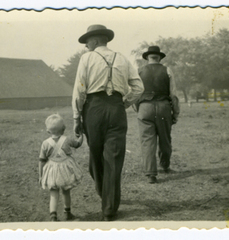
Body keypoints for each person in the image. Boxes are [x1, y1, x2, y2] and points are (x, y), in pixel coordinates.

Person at [72, 24, 144, 221]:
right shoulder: (122, 58)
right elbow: (138, 88)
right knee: (113, 159)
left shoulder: (86, 58)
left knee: (96, 158)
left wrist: (76, 117)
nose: (86, 46)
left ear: (95, 40)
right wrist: (123, 103)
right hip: (116, 109)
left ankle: (108, 203)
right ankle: (109, 204)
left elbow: (79, 90)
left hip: (93, 110)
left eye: (87, 42)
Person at [135, 46, 180, 184]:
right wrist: (175, 113)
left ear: (147, 57)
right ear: (159, 57)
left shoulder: (139, 71)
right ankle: (165, 166)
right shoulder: (167, 70)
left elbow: (135, 94)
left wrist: (139, 108)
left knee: (147, 141)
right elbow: (173, 94)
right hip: (163, 107)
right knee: (165, 139)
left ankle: (151, 174)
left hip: (144, 108)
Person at [38, 113, 83, 221]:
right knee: (66, 191)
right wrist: (81, 136)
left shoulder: (45, 143)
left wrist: (40, 175)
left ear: (48, 131)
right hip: (65, 170)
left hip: (52, 171)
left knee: (53, 193)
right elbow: (77, 144)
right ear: (63, 129)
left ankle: (53, 216)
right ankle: (67, 213)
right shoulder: (67, 140)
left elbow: (41, 161)